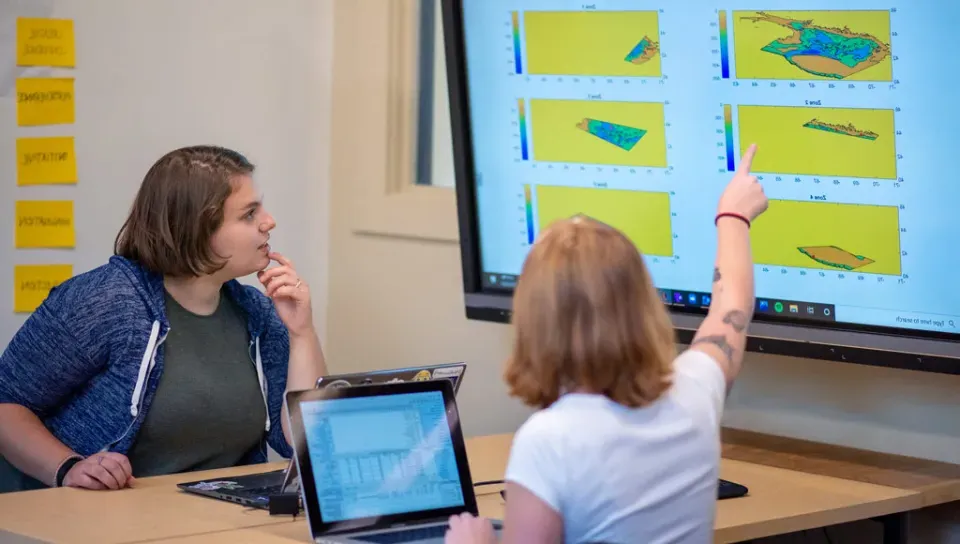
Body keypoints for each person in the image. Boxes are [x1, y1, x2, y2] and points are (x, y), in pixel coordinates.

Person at [445, 145, 768, 544]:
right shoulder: (694, 395)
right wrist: (733, 215)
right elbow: (731, 305)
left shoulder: (549, 441)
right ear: (642, 305)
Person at [0, 145, 327, 493]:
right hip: (98, 519)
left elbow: (306, 443)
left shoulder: (256, 312)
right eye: (248, 214)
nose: (269, 221)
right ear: (196, 228)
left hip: (210, 521)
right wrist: (67, 468)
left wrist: (302, 333)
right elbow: (7, 402)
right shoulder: (105, 300)